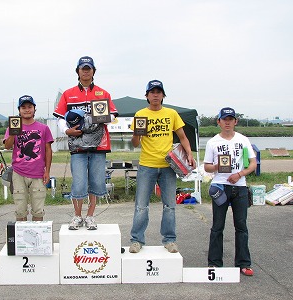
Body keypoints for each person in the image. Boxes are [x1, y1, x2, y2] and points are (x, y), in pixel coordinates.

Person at [129, 80, 195, 253]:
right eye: (152, 92)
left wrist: (189, 153)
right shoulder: (140, 114)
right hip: (146, 165)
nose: (156, 95)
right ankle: (137, 240)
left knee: (170, 206)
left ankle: (169, 240)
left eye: (159, 92)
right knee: (141, 206)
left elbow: (183, 137)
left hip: (168, 166)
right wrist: (136, 133)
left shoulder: (171, 114)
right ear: (147, 96)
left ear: (163, 95)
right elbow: (135, 144)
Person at [53, 55, 118, 230]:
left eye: (89, 68)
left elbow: (112, 115)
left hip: (98, 145)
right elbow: (60, 118)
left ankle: (90, 216)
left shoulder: (103, 93)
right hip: (78, 146)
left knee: (96, 182)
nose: (86, 71)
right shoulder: (68, 94)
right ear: (78, 71)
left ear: (93, 71)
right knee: (79, 182)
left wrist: (99, 119)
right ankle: (77, 216)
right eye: (83, 68)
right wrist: (66, 130)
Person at [204, 107, 257, 276]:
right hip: (220, 187)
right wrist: (217, 166)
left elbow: (253, 164)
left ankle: (243, 263)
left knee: (241, 226)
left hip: (240, 187)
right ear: (218, 121)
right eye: (224, 119)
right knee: (217, 226)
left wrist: (239, 174)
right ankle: (214, 263)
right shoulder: (213, 142)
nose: (227, 122)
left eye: (230, 119)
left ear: (236, 121)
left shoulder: (243, 140)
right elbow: (206, 167)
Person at [3, 95, 53, 221]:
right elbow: (8, 146)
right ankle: (22, 239)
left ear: (34, 109)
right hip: (18, 172)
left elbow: (48, 150)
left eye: (29, 107)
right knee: (20, 210)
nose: (27, 110)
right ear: (19, 110)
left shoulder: (43, 128)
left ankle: (38, 238)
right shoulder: (12, 126)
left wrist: (47, 171)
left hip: (38, 173)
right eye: (23, 107)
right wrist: (13, 133)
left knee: (38, 210)